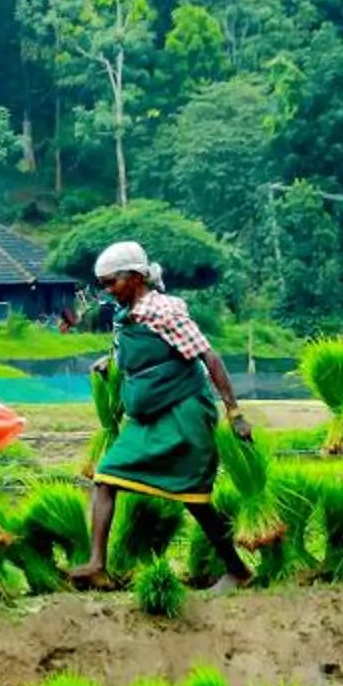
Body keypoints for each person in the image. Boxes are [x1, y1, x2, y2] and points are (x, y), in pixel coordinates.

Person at [63, 240, 258, 595]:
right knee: (105, 476)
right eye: (103, 284)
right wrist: (112, 362)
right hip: (147, 417)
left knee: (193, 497)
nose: (107, 291)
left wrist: (235, 412)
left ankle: (237, 570)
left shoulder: (164, 311)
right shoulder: (124, 315)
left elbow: (209, 357)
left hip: (183, 412)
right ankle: (97, 565)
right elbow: (135, 351)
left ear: (136, 277)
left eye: (112, 283)